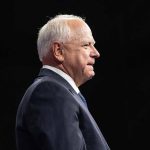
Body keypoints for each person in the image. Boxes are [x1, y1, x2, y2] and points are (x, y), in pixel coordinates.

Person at [15, 14, 110, 150]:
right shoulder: (51, 92)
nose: (96, 53)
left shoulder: (61, 92)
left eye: (93, 45)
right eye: (86, 45)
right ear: (58, 51)